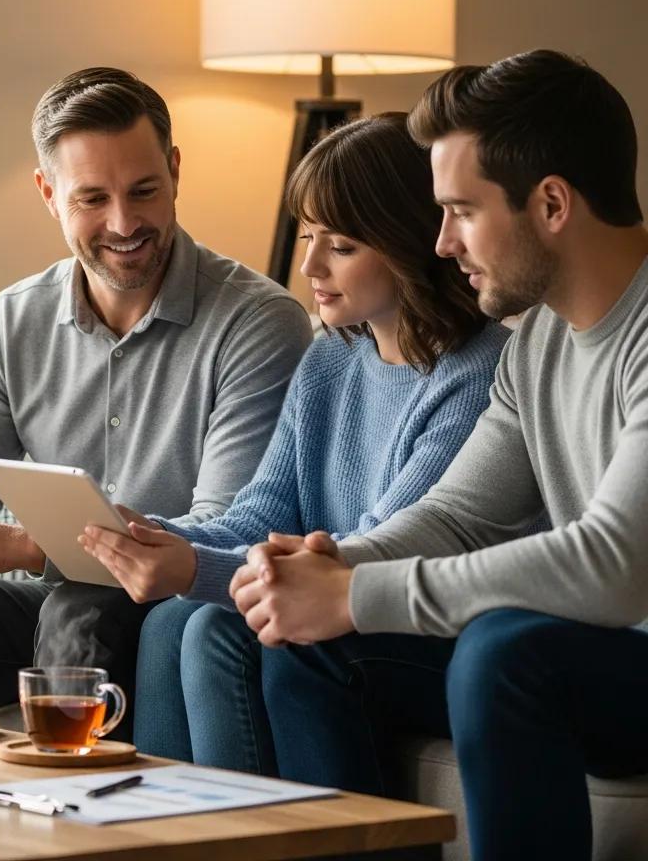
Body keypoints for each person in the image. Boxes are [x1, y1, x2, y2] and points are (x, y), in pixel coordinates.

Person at [0, 67, 312, 737]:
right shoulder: (16, 319)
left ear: (176, 171)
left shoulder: (258, 323)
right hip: (37, 608)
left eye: (144, 191)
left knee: (82, 605)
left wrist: (29, 546)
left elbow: (226, 529)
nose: (124, 223)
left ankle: (63, 798)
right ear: (48, 193)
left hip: (166, 610)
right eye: (92, 198)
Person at [228, 50, 648, 861]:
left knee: (505, 652)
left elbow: (615, 563)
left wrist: (359, 593)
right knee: (311, 647)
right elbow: (459, 515)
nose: (444, 242)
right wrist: (330, 567)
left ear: (551, 204)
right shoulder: (540, 342)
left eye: (460, 211)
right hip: (598, 658)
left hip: (620, 654)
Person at [80, 112, 510, 769]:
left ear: (412, 242)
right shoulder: (331, 356)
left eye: (341, 246)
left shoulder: (477, 374)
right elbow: (262, 513)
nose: (309, 264)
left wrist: (195, 569)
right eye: (309, 236)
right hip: (335, 599)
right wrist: (154, 539)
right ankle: (164, 823)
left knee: (218, 628)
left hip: (425, 624)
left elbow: (381, 549)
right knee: (168, 620)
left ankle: (256, 825)